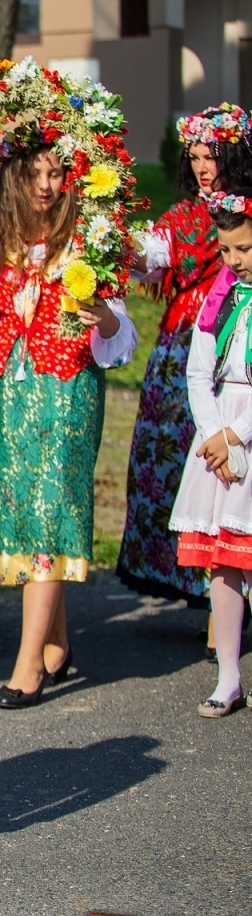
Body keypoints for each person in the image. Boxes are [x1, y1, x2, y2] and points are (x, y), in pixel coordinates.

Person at [0, 146, 137, 709]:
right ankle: (56, 640)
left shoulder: (90, 238)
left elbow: (120, 334)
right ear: (14, 179)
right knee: (23, 512)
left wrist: (105, 315)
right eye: (35, 174)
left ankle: (27, 664)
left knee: (50, 508)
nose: (46, 185)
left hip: (67, 389)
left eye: (57, 173)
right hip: (8, 393)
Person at [120, 105, 252, 615]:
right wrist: (114, 242)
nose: (201, 167)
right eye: (193, 157)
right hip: (183, 353)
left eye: (211, 156)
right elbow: (152, 258)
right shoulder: (182, 216)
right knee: (176, 465)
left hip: (240, 354)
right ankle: (207, 593)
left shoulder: (245, 214)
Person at [170, 189, 252, 718]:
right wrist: (216, 434)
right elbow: (199, 373)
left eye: (243, 248)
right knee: (223, 562)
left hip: (246, 433)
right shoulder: (219, 298)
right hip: (220, 433)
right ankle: (228, 676)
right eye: (225, 251)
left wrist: (239, 435)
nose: (234, 260)